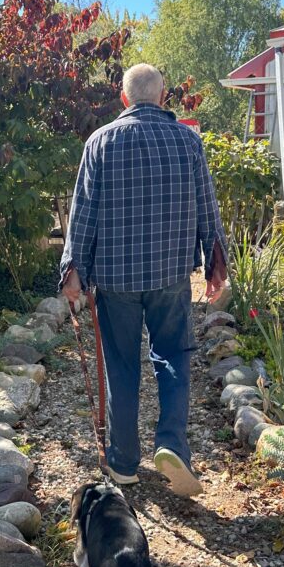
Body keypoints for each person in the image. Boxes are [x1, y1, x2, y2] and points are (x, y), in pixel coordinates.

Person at [60, 63, 227, 496]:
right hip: (170, 274)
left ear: (123, 98)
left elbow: (83, 213)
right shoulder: (188, 141)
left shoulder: (100, 142)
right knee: (173, 356)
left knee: (121, 366)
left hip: (115, 278)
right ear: (164, 95)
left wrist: (73, 269)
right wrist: (215, 263)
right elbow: (207, 205)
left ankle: (123, 462)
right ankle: (172, 444)